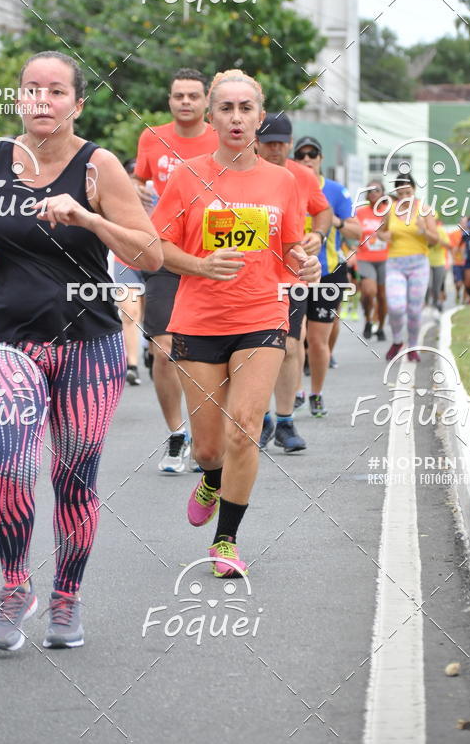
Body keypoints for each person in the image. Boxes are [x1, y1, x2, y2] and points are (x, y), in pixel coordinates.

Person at [0, 50, 162, 651]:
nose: (41, 101)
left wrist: (90, 220)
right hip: (6, 339)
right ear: (18, 98)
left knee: (74, 478)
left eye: (55, 91)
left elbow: (147, 255)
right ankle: (15, 585)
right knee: (12, 469)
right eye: (31, 90)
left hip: (89, 345)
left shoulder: (98, 168)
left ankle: (67, 595)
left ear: (78, 102)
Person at [151, 69, 320, 576]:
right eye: (226, 108)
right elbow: (156, 247)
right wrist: (200, 265)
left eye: (246, 108)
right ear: (212, 116)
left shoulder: (283, 180)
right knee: (208, 446)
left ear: (259, 117)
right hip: (199, 319)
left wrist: (305, 261)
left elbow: (290, 247)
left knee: (245, 428)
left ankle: (226, 541)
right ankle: (210, 476)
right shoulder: (187, 176)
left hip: (262, 314)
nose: (237, 117)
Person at [133, 68, 218, 472]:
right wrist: (138, 191)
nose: (185, 101)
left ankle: (208, 437)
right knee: (163, 353)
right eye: (178, 95)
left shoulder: (222, 138)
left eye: (193, 96)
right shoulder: (152, 138)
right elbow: (136, 182)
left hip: (214, 258)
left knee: (210, 354)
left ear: (205, 101)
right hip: (164, 256)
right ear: (170, 100)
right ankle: (176, 435)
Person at [255, 113, 331, 451]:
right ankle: (259, 417)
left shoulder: (301, 175)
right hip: (248, 274)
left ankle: (285, 420)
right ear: (257, 142)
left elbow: (323, 210)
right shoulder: (242, 171)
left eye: (282, 143)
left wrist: (318, 234)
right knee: (252, 350)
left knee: (289, 345)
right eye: (269, 143)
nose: (275, 149)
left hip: (290, 273)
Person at [294, 136, 361, 417]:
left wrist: (334, 221)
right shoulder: (285, 185)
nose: (307, 159)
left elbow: (357, 232)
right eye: (301, 155)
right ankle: (295, 390)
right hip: (292, 273)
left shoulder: (335, 191)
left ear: (321, 159)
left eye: (313, 154)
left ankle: (316, 393)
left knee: (318, 340)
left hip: (328, 273)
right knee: (293, 338)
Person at [376, 173, 438, 361]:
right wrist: (382, 236)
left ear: (414, 191)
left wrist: (423, 229)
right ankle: (397, 341)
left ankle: (412, 347)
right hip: (396, 264)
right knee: (395, 306)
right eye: (400, 193)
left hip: (419, 264)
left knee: (413, 309)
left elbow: (435, 240)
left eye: (408, 192)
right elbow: (380, 231)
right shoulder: (390, 210)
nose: (404, 197)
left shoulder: (424, 209)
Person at [113, 157, 145, 385]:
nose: (137, 182)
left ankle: (152, 353)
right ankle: (131, 364)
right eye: (131, 176)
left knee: (151, 316)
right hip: (125, 258)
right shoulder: (118, 195)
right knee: (130, 311)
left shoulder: (160, 194)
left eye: (139, 176)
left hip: (157, 261)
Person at [355, 178, 389, 341]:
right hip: (365, 257)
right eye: (370, 190)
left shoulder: (389, 212)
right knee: (369, 292)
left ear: (383, 193)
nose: (373, 193)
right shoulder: (360, 213)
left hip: (386, 258)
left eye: (377, 190)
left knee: (382, 296)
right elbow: (353, 234)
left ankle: (381, 327)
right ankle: (368, 319)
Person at [427, 217, 452, 312]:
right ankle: (426, 304)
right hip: (427, 262)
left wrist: (438, 240)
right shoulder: (424, 230)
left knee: (436, 287)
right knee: (428, 285)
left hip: (439, 262)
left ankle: (435, 303)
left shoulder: (440, 230)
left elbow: (449, 246)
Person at [449, 218, 468, 305]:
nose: (464, 224)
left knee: (466, 282)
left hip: (467, 262)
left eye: (466, 223)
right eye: (462, 222)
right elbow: (452, 249)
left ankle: (464, 300)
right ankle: (457, 294)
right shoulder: (454, 234)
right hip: (457, 263)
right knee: (459, 283)